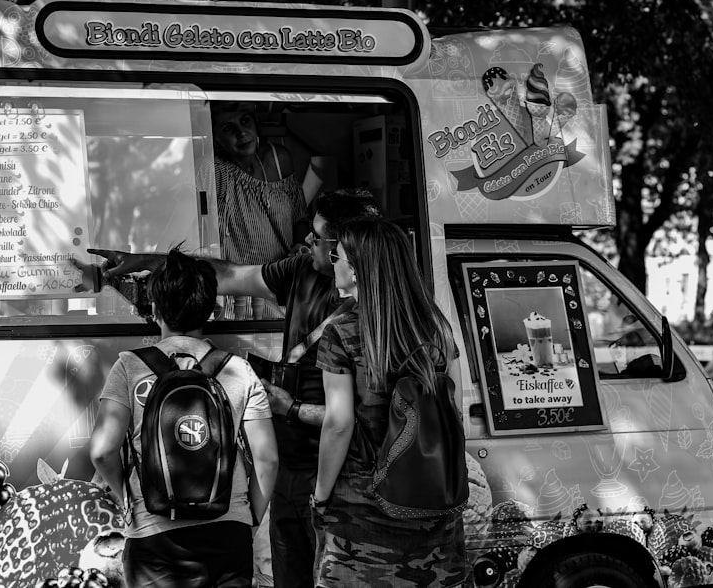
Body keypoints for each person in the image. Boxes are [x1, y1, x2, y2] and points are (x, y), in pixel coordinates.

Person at [86, 188, 381, 588]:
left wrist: (292, 410)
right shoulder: (298, 271)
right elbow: (223, 275)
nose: (307, 242)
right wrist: (149, 263)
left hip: (341, 470)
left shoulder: (380, 309)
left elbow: (361, 417)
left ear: (346, 244)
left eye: (317, 237)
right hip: (290, 468)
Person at [88, 249, 279, 587]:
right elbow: (267, 460)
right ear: (211, 310)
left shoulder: (129, 367)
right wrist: (248, 521)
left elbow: (102, 450)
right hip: (227, 531)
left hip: (154, 536)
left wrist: (129, 504)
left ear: (155, 309)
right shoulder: (238, 371)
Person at [311, 216, 470, 587]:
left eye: (338, 257)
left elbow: (338, 425)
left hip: (360, 511)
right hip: (433, 509)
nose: (333, 263)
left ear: (357, 270)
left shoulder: (341, 332)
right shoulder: (436, 328)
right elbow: (455, 415)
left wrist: (320, 496)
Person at [210, 102, 327, 319]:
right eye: (228, 128)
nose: (241, 132)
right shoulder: (216, 171)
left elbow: (299, 218)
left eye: (245, 120)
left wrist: (300, 245)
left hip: (283, 286)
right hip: (240, 293)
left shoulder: (279, 158)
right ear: (216, 138)